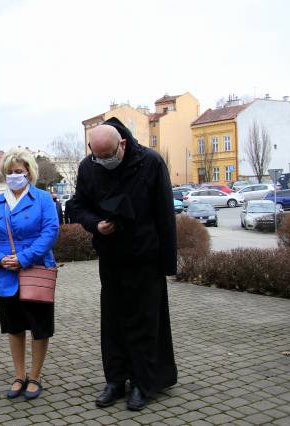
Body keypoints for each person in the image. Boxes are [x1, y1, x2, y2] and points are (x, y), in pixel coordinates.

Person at [68, 117, 177, 411]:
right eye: (97, 155)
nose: (102, 161)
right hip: (111, 257)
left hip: (146, 259)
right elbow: (77, 206)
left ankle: (143, 383)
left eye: (107, 155)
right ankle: (115, 380)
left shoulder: (151, 163)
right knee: (113, 322)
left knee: (144, 322)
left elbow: (165, 214)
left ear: (123, 145)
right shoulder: (88, 166)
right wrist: (95, 225)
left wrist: (168, 263)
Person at [0, 148, 59, 400]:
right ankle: (19, 375)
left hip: (35, 271)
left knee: (39, 328)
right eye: (10, 172)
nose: (14, 175)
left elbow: (50, 232)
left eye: (19, 171)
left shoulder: (43, 199)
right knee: (14, 328)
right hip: (5, 276)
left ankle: (35, 376)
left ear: (29, 172)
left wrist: (23, 258)